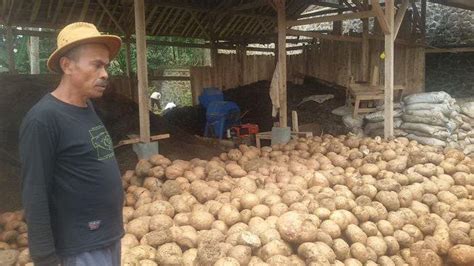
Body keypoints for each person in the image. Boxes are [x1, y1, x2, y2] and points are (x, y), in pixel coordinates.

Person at [19, 22, 124, 266]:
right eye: (96, 65)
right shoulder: (43, 119)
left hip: (107, 237)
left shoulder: (87, 108)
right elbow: (35, 193)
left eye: (106, 66)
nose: (105, 74)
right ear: (67, 65)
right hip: (79, 247)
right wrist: (45, 258)